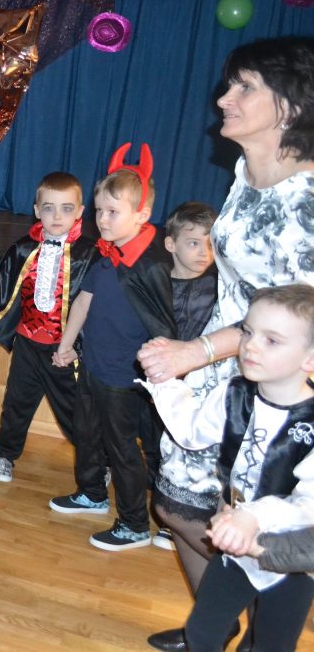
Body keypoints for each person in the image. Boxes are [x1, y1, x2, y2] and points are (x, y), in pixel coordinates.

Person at [136, 37, 314, 652]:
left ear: (291, 106)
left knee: (252, 523)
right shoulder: (247, 170)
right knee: (178, 507)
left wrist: (197, 353)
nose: (223, 99)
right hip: (223, 359)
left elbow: (290, 322)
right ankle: (215, 622)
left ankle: (258, 625)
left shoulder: (306, 206)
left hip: (271, 378)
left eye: (244, 88)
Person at [140, 284, 314, 652]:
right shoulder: (235, 392)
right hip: (234, 549)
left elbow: (308, 504)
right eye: (248, 332)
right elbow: (193, 431)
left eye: (272, 340)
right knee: (202, 632)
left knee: (271, 645)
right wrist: (164, 382)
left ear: (310, 359)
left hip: (289, 560)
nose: (250, 346)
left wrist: (253, 516)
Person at [50, 143, 177, 551]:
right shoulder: (107, 255)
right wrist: (67, 345)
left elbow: (166, 324)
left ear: (142, 215)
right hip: (94, 365)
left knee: (123, 449)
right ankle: (92, 492)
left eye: (112, 212)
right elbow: (83, 301)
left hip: (123, 377)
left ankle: (135, 523)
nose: (102, 219)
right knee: (87, 433)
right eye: (99, 210)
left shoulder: (151, 265)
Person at [0, 173, 96, 480]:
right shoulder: (23, 249)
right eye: (49, 208)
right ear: (36, 210)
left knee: (75, 411)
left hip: (64, 350)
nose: (57, 216)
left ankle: (95, 465)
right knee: (16, 404)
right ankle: (5, 454)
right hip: (27, 344)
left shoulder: (89, 255)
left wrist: (77, 348)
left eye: (66, 208)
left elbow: (94, 308)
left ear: (80, 212)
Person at [147, 202, 218, 561]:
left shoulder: (219, 287)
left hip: (195, 386)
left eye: (210, 243)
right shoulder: (153, 281)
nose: (203, 252)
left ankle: (169, 521)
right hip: (155, 378)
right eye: (193, 243)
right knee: (151, 443)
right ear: (171, 244)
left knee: (178, 446)